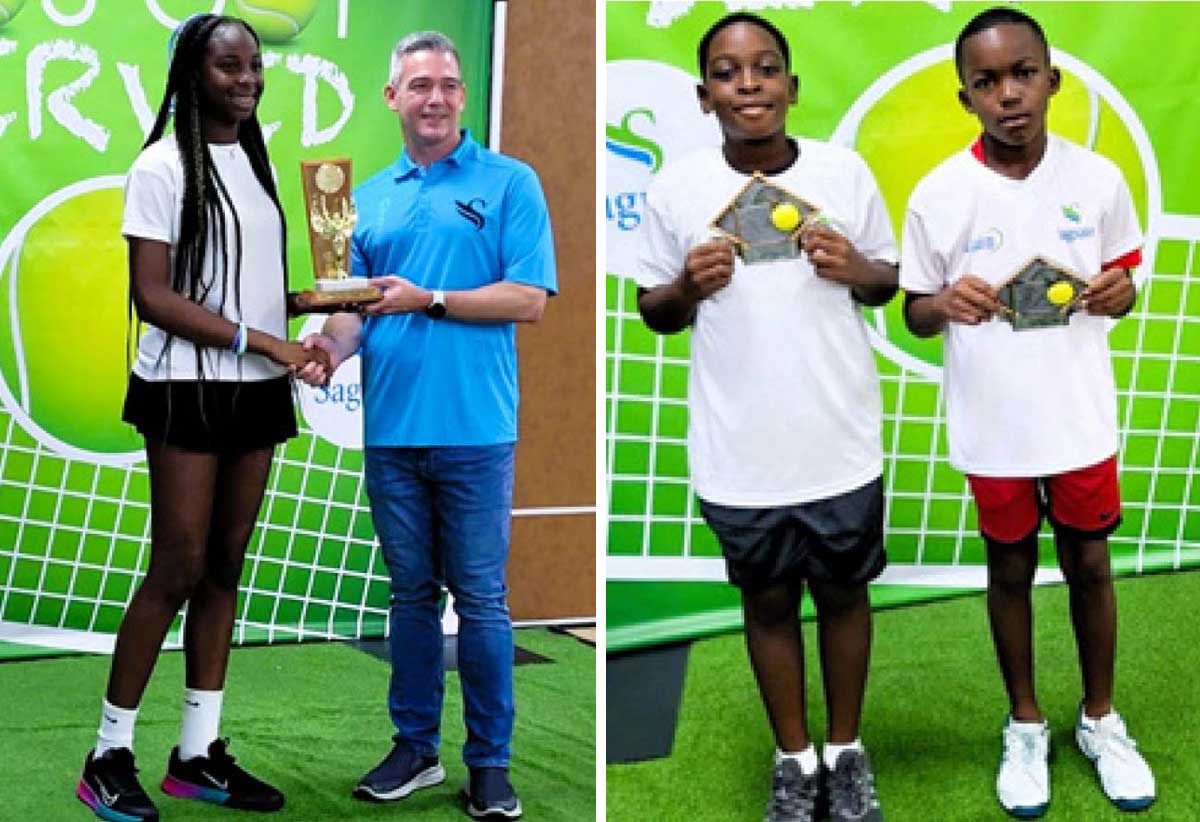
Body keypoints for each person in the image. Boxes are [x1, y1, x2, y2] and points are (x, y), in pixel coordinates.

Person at [634, 12, 897, 822]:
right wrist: (687, 285)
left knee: (846, 598)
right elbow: (656, 309)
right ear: (704, 94)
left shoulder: (844, 172)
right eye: (727, 71)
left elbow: (887, 280)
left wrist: (856, 267)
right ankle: (795, 760)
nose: (748, 83)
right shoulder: (675, 187)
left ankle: (846, 755)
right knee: (768, 605)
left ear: (792, 84)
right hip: (738, 450)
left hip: (838, 440)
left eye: (764, 67)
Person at [900, 6, 1155, 818]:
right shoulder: (941, 194)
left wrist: (1123, 292)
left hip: (1079, 417)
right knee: (1008, 570)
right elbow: (910, 309)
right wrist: (943, 301)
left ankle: (1101, 719)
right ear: (965, 96)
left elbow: (1121, 279)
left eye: (1023, 74)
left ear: (1053, 81)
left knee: (1090, 565)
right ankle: (1025, 722)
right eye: (987, 81)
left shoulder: (1098, 180)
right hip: (994, 424)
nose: (1008, 94)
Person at [296, 30, 556, 820]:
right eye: (419, 85)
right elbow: (350, 318)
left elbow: (529, 299)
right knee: (410, 597)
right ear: (393, 98)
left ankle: (490, 766)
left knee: (479, 600)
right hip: (393, 436)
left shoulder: (511, 182)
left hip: (476, 431)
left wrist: (432, 298)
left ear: (463, 97)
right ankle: (415, 751)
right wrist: (325, 352)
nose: (435, 97)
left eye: (447, 84)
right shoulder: (355, 198)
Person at [76, 14, 326, 822]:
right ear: (192, 73)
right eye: (229, 66)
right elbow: (152, 297)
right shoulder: (158, 167)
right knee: (177, 569)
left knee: (225, 566)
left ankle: (196, 755)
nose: (248, 79)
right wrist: (265, 340)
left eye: (254, 66)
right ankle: (107, 754)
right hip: (185, 386)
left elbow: (244, 285)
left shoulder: (255, 165)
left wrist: (314, 307)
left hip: (254, 386)